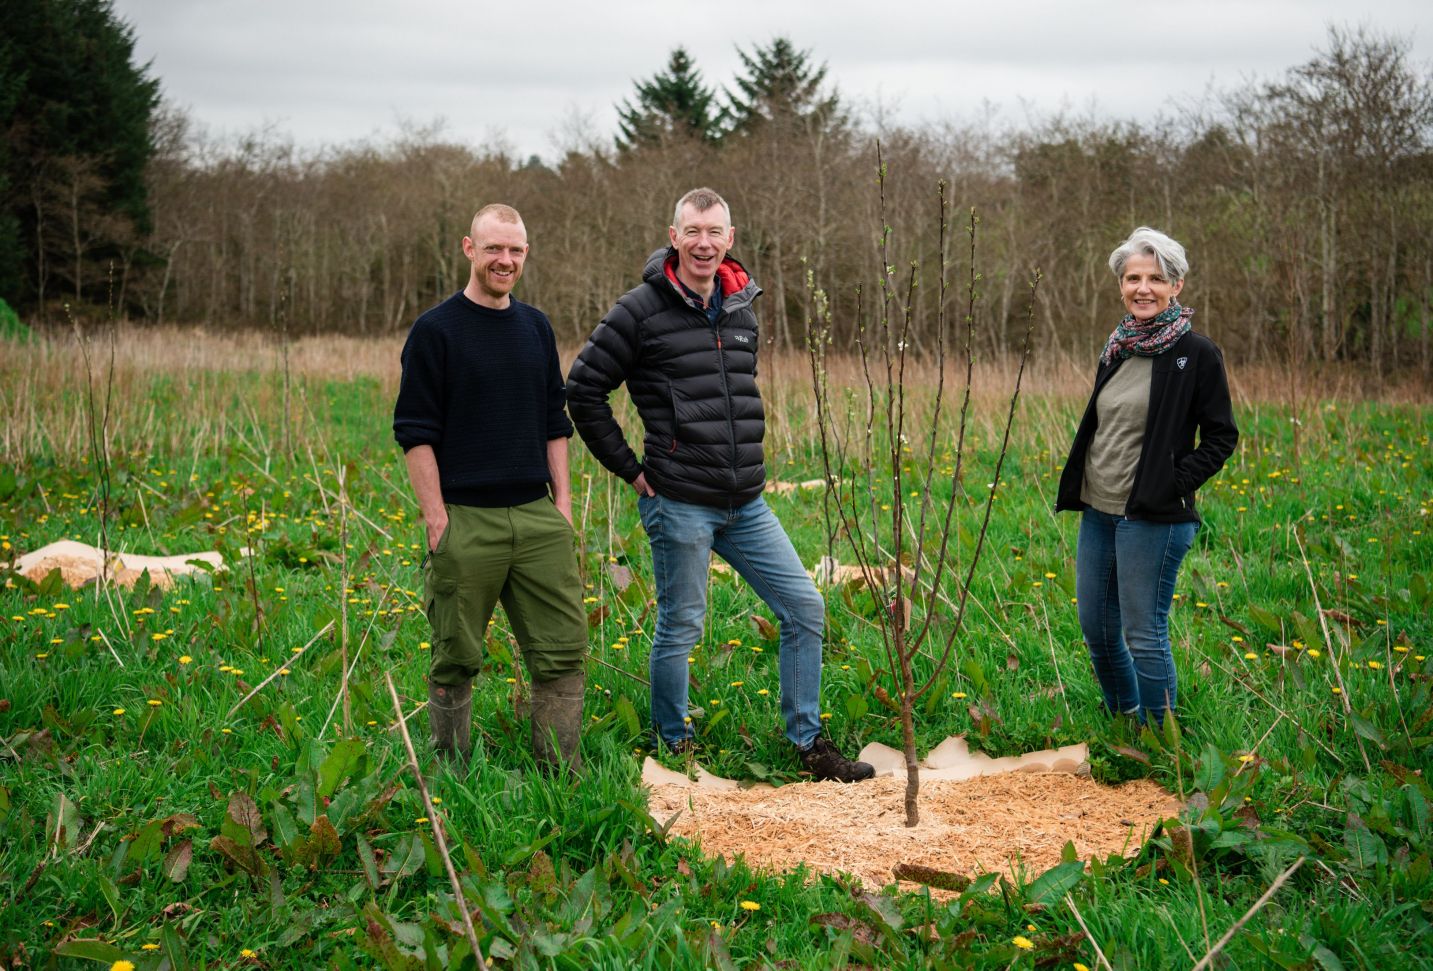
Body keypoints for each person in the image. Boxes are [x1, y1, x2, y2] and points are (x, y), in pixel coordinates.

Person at [567, 187, 873, 782]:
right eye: (692, 232)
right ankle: (673, 744)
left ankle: (809, 744)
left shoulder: (741, 307)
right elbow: (583, 389)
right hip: (678, 498)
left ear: (729, 239)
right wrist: (632, 469)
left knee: (805, 607)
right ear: (674, 237)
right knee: (682, 625)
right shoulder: (639, 310)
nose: (703, 243)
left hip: (746, 502)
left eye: (715, 232)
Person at [393, 203, 587, 775]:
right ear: (469, 249)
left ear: (526, 254)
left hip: (536, 517)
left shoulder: (536, 327)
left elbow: (556, 420)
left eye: (517, 250)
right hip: (466, 519)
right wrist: (436, 519)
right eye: (495, 248)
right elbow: (415, 432)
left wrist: (563, 507)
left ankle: (561, 777)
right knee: (455, 655)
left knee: (562, 651)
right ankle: (451, 774)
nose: (506, 260)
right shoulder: (435, 331)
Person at [1055, 226, 1238, 725]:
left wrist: (1171, 484)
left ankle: (1161, 739)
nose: (1143, 288)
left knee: (1144, 633)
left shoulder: (1196, 353)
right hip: (1100, 511)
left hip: (1153, 518)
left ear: (1176, 286)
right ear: (1120, 285)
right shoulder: (1118, 347)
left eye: (1156, 278)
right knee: (1097, 628)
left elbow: (1222, 437)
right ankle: (1124, 720)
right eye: (1133, 277)